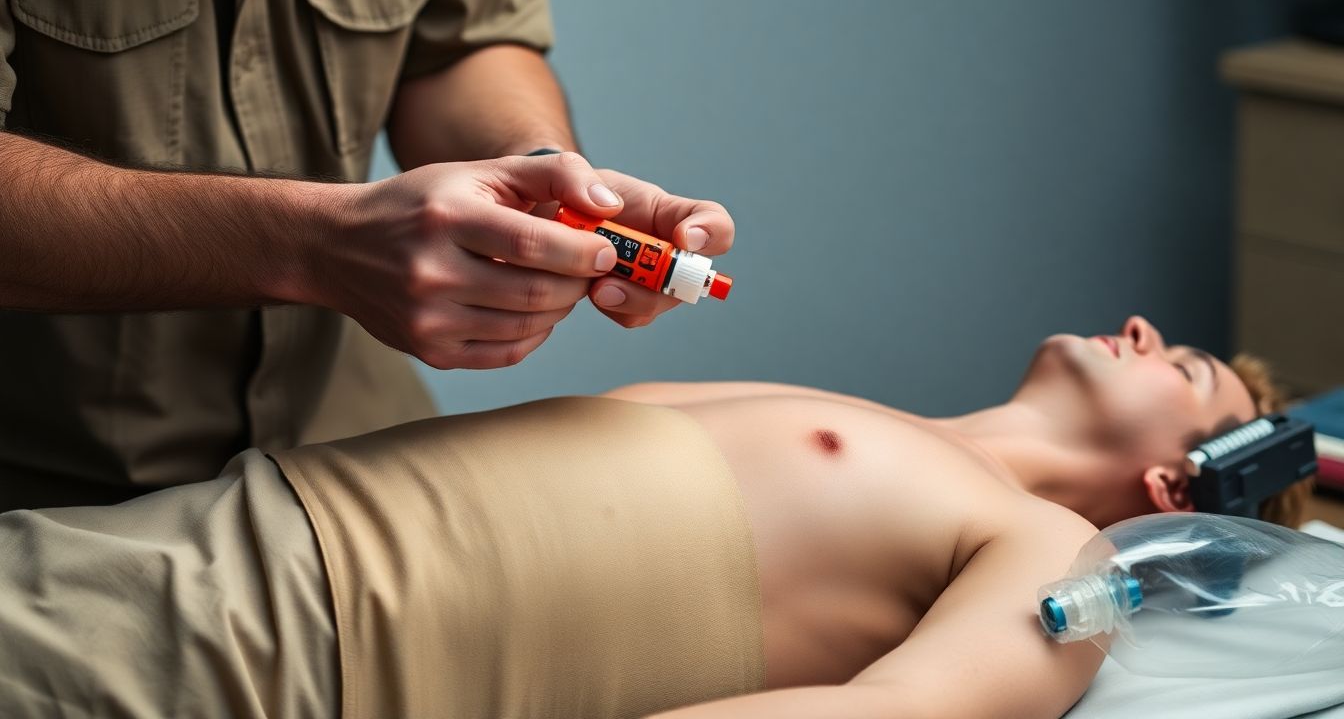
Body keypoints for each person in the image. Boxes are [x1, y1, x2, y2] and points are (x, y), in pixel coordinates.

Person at [0, 316, 1311, 718]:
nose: (1146, 327)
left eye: (1179, 366)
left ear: (1176, 489)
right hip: (253, 524)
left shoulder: (1052, 555)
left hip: (305, 657)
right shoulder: (895, 427)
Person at [0, 0, 733, 511]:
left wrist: (538, 174)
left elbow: (462, 38)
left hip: (361, 456)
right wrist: (312, 249)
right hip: (59, 501)